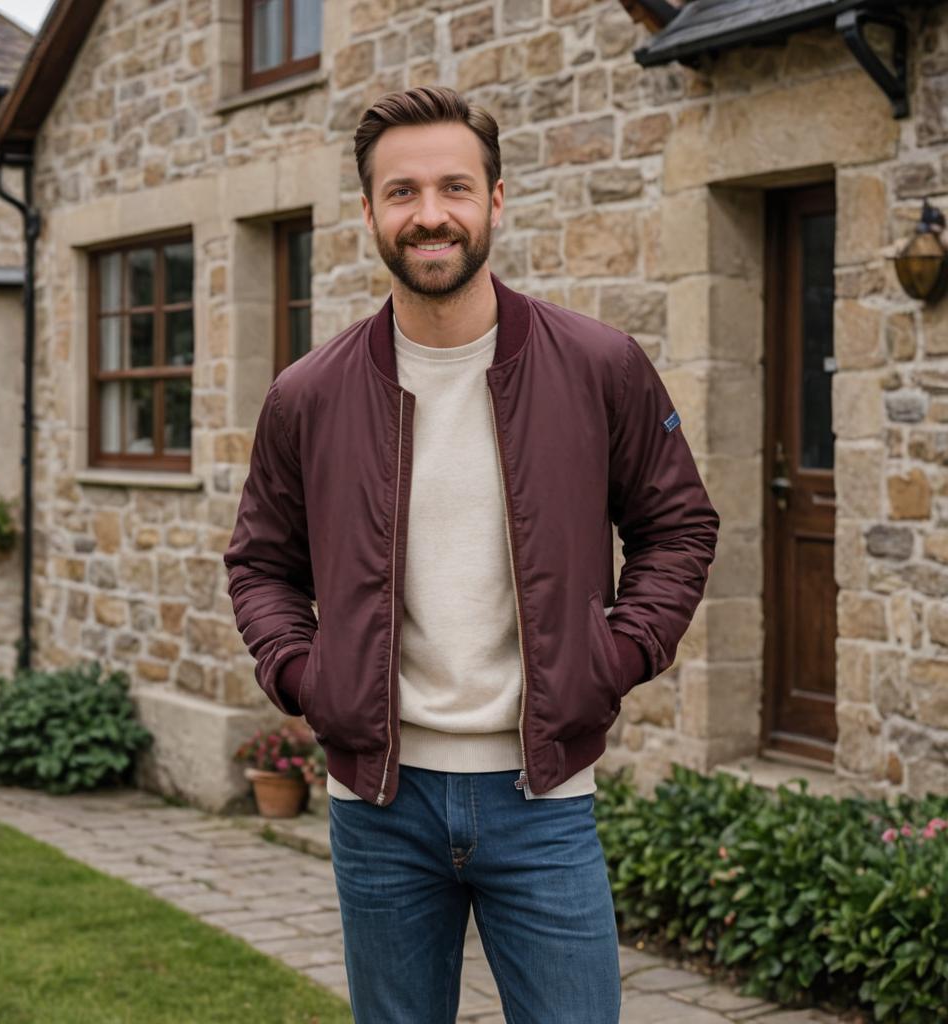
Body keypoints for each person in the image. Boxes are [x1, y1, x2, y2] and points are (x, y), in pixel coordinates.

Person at [224, 85, 719, 1024]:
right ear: (368, 213)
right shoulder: (307, 395)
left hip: (544, 799)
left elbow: (678, 526)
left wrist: (615, 658)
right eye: (402, 192)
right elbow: (261, 563)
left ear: (496, 201)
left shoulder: (599, 365)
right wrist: (303, 672)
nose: (430, 213)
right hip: (379, 803)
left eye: (454, 186)